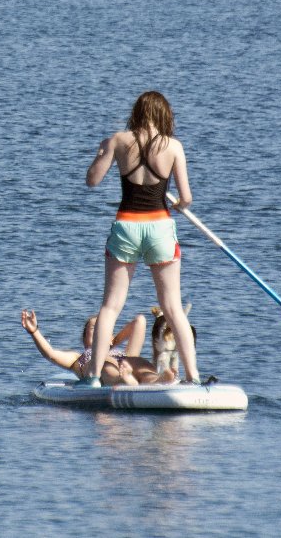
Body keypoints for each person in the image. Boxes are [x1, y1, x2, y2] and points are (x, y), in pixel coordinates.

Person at [78, 91, 201, 387]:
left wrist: (102, 152)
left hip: (127, 227)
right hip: (159, 227)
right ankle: (193, 377)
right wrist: (180, 205)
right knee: (172, 306)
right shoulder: (174, 147)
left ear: (136, 113)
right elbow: (186, 198)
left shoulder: (119, 141)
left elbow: (92, 180)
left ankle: (94, 377)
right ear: (164, 116)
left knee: (110, 306)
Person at [21, 309, 176, 386]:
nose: (100, 330)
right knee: (107, 367)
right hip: (103, 367)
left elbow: (140, 321)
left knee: (140, 364)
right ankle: (125, 380)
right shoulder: (78, 357)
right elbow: (51, 354)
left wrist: (112, 341)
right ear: (84, 338)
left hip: (126, 362)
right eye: (95, 328)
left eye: (104, 329)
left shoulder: (122, 352)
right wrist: (34, 331)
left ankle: (159, 379)